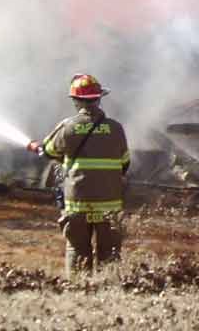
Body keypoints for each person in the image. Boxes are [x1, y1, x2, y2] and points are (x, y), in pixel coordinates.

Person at [27, 73, 130, 273]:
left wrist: (34, 146)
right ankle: (109, 289)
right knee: (110, 252)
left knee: (76, 248)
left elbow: (47, 152)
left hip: (77, 203)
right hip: (110, 204)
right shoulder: (116, 129)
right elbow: (125, 164)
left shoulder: (68, 127)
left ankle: (78, 289)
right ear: (99, 99)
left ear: (75, 101)